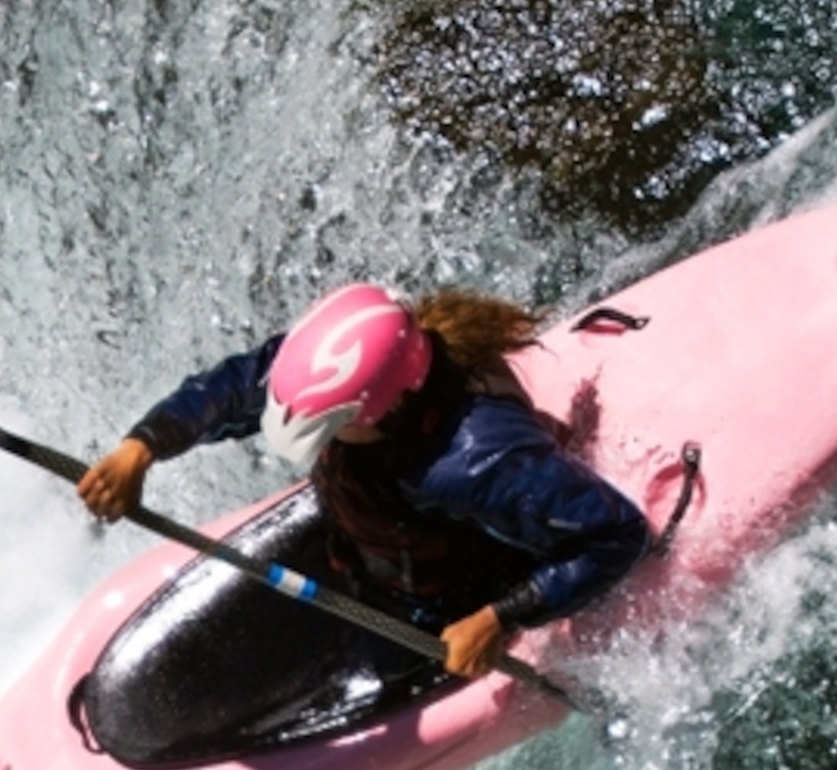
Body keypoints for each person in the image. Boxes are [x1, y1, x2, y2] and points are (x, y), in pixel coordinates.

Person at [76, 284, 651, 679]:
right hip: (376, 549)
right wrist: (144, 445)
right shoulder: (354, 371)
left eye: (332, 429)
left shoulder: (474, 462)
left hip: (455, 598)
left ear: (381, 414)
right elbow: (235, 388)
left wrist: (501, 617)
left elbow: (616, 534)